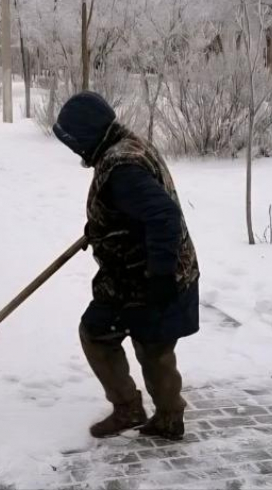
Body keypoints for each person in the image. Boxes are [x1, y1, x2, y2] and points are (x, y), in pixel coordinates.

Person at [52, 91, 200, 441]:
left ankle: (156, 415)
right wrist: (102, 227)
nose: (74, 150)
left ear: (87, 136)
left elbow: (163, 215)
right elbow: (134, 210)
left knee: (140, 344)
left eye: (74, 141)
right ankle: (146, 412)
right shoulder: (124, 146)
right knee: (133, 340)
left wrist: (161, 275)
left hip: (150, 274)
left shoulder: (122, 168)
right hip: (136, 270)